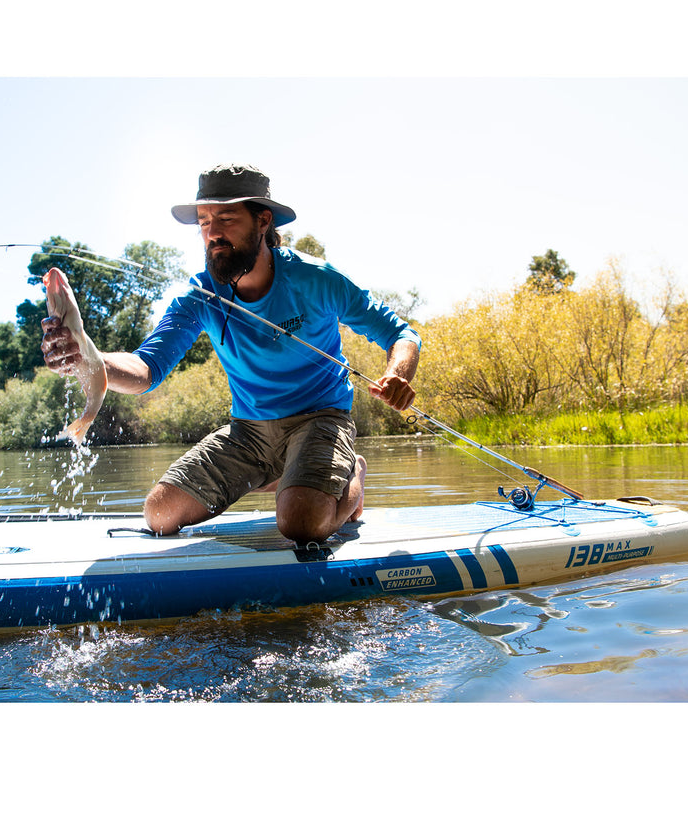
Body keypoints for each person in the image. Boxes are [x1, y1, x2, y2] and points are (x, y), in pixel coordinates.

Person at [41, 164, 420, 545]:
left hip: (319, 420)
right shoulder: (198, 297)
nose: (213, 233)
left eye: (225, 218)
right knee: (158, 515)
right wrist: (89, 358)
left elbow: (400, 334)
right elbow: (146, 368)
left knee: (301, 524)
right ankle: (286, 475)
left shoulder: (315, 279)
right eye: (204, 222)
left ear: (262, 221)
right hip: (248, 433)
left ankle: (352, 472)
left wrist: (399, 373)